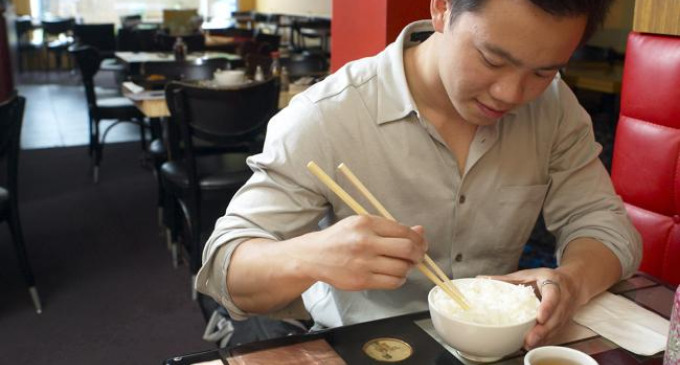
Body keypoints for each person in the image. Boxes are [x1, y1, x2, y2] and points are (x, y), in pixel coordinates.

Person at [197, 0, 642, 349]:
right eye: (491, 59)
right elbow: (225, 270)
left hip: (499, 345)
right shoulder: (327, 116)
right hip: (363, 346)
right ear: (442, 8)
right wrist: (312, 254)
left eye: (543, 71)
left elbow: (605, 227)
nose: (512, 93)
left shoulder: (554, 109)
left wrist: (569, 280)